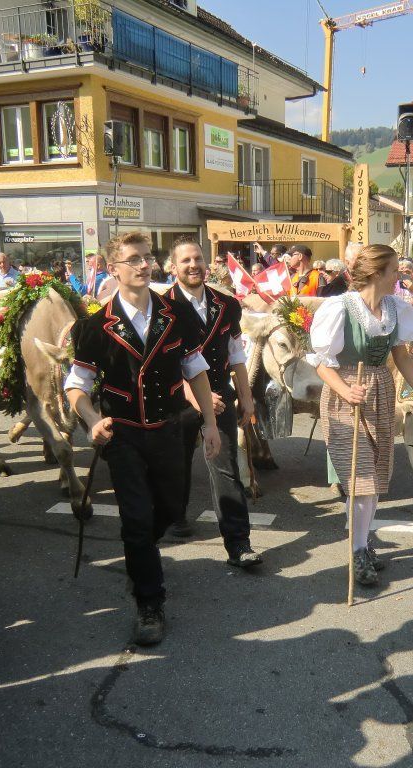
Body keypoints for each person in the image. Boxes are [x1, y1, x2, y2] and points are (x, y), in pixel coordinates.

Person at [65, 231, 222, 646]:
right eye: (132, 259)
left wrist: (209, 423)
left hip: (170, 429)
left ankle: (140, 554)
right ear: (113, 269)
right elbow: (76, 386)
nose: (142, 265)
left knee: (171, 509)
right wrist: (92, 418)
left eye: (146, 258)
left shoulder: (177, 315)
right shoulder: (94, 327)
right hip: (124, 436)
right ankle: (148, 601)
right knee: (136, 519)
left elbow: (196, 370)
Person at [308, 244, 413, 586]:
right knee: (360, 479)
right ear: (378, 273)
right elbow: (321, 362)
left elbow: (402, 356)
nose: (401, 275)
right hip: (345, 395)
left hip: (381, 390)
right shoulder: (339, 307)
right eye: (396, 269)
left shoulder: (395, 308)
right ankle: (357, 550)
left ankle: (363, 543)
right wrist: (345, 389)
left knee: (376, 477)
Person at [165, 238, 261, 565]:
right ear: (173, 267)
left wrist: (246, 399)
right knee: (175, 464)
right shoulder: (161, 307)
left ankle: (239, 544)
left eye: (197, 259)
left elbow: (236, 355)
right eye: (185, 261)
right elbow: (158, 364)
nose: (193, 265)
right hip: (178, 397)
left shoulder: (226, 304)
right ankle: (175, 516)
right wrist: (194, 396)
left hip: (220, 395)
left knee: (226, 467)